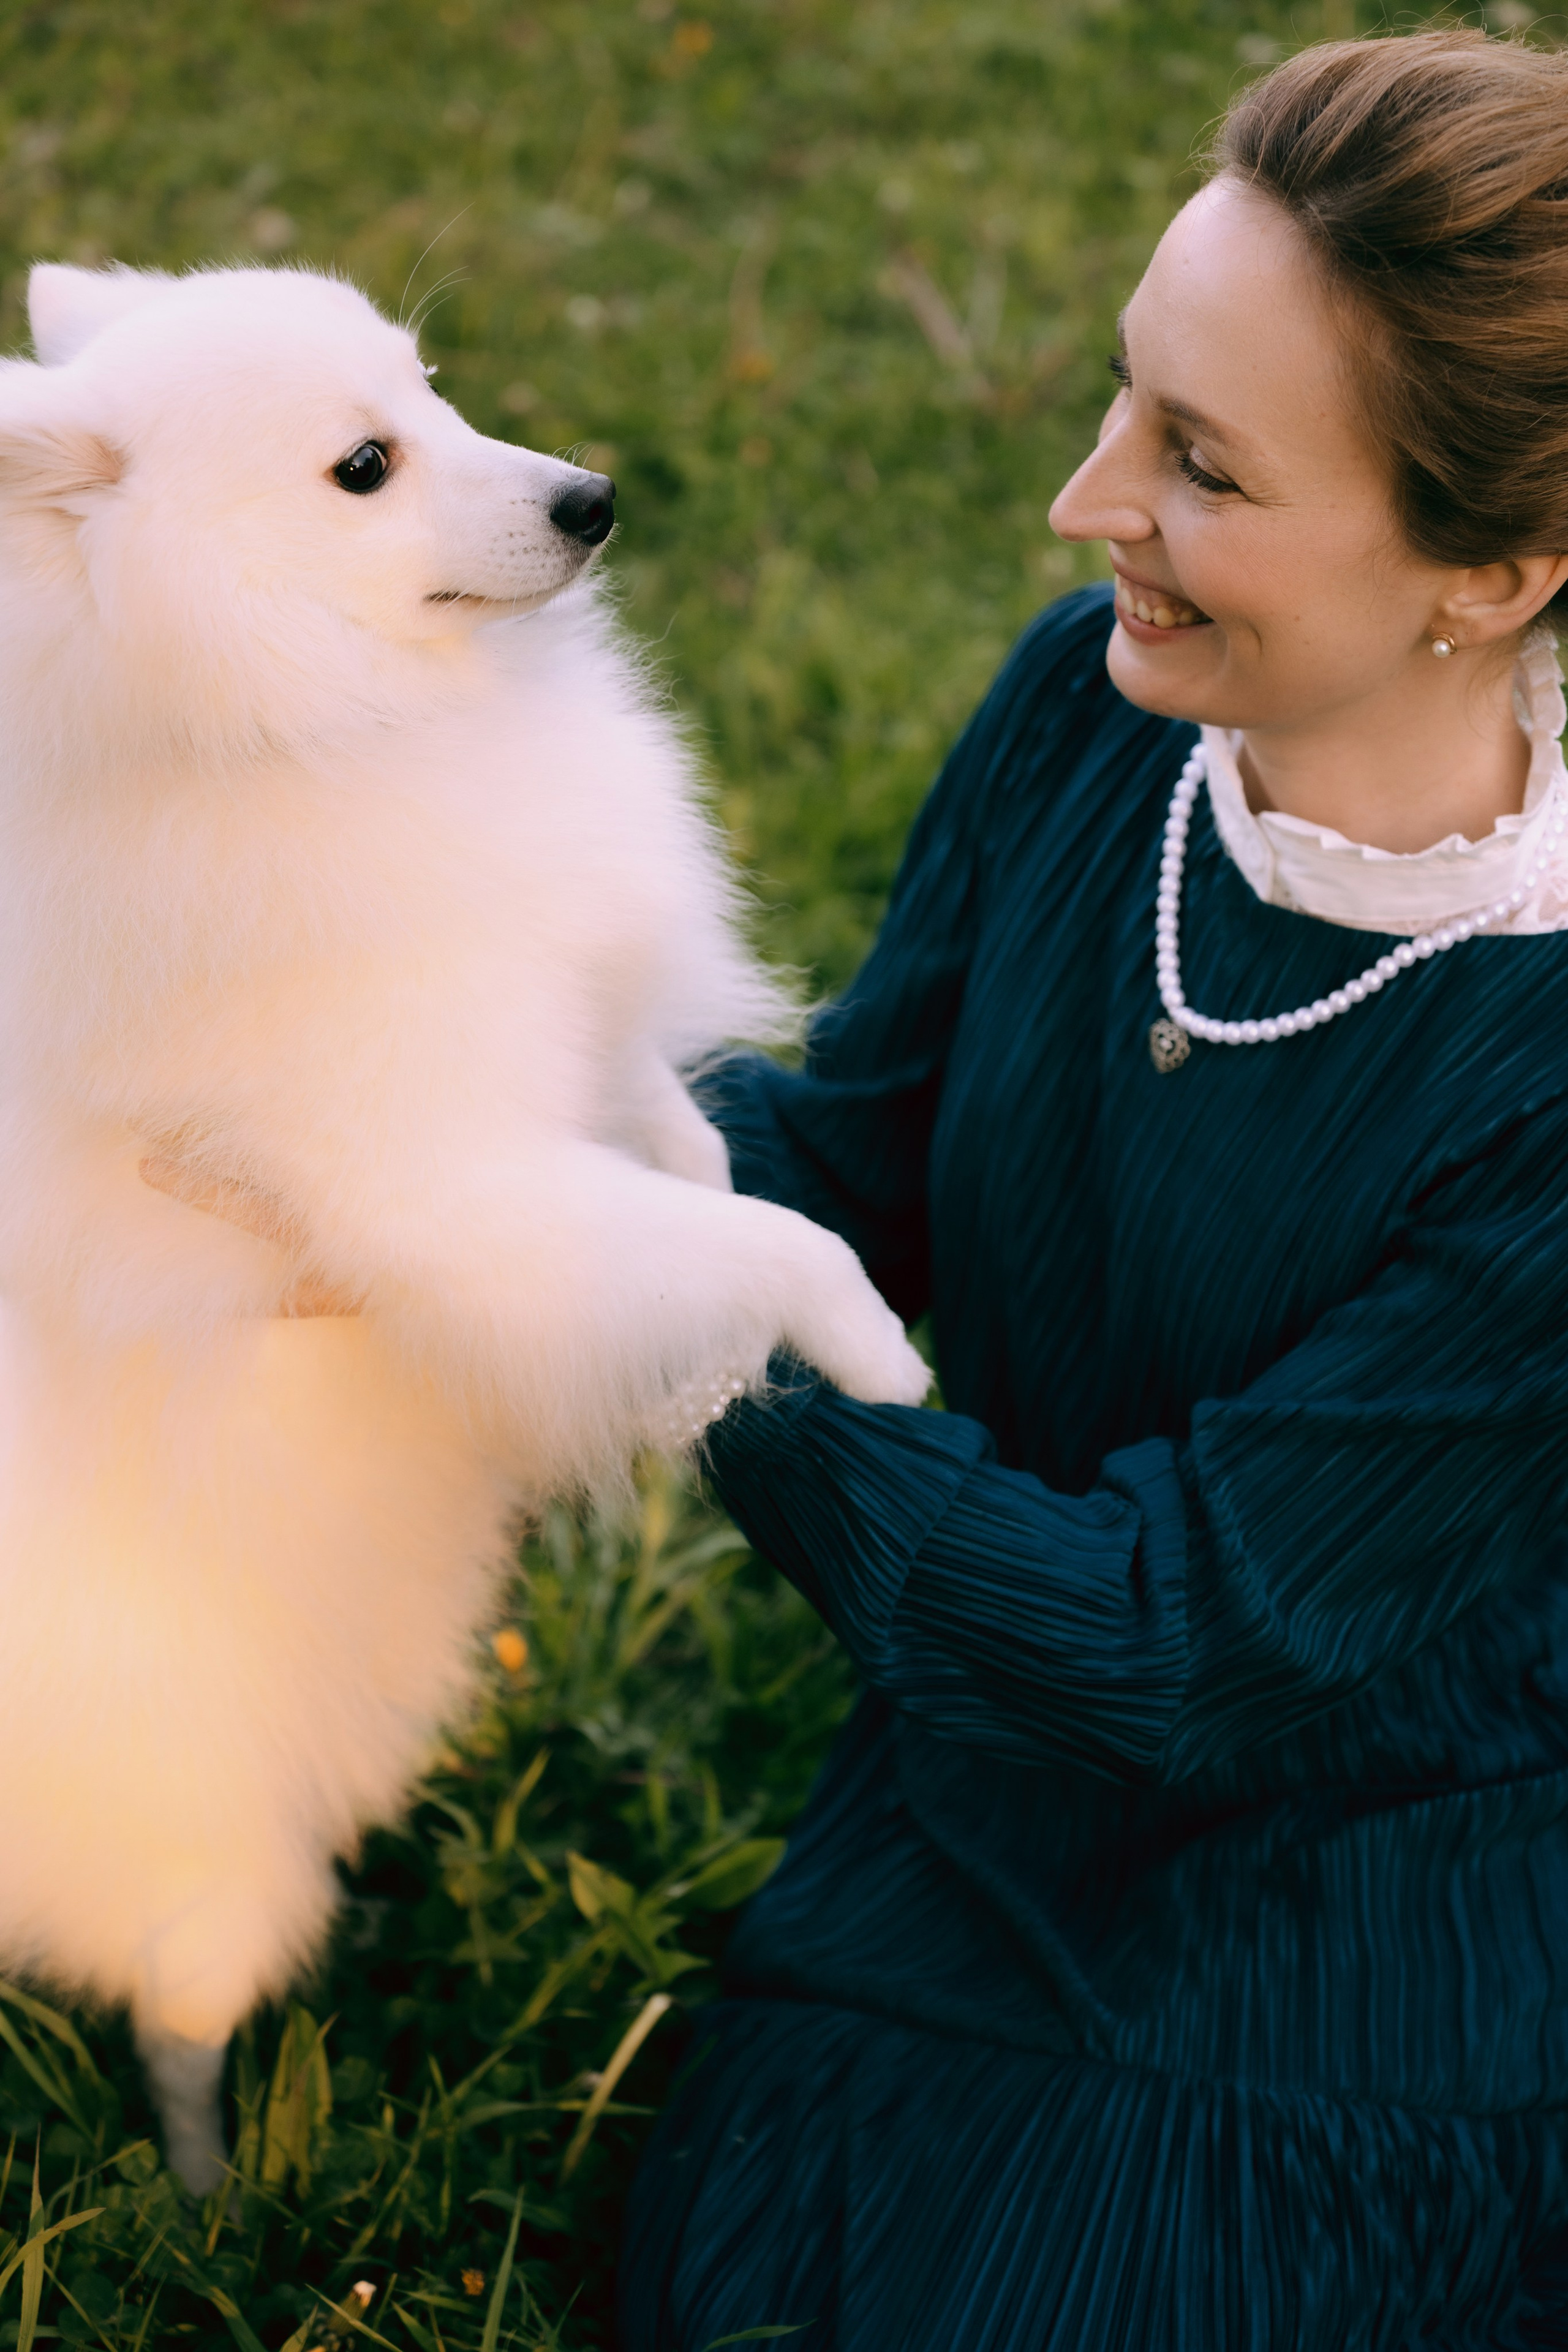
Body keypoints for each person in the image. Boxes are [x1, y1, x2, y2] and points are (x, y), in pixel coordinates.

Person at [615, 30, 1568, 2351]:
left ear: (1499, 567)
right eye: (1127, 398)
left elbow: (1168, 1646)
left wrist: (626, 1298)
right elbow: (846, 1163)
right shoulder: (1100, 704)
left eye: (1204, 465)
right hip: (983, 1786)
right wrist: (499, 1124)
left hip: (1361, 1904)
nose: (1084, 498)